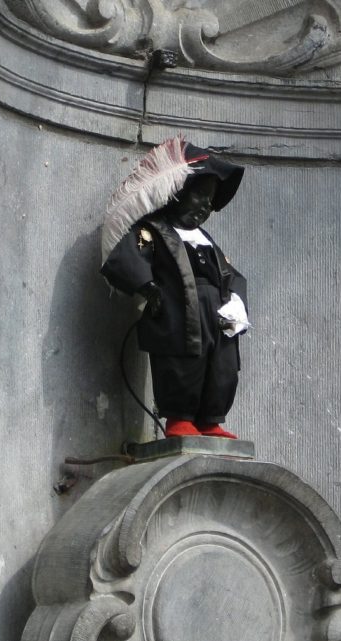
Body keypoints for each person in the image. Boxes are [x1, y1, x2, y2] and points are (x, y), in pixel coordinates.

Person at [100, 142, 249, 439]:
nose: (206, 206)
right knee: (182, 363)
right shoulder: (154, 231)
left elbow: (233, 276)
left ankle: (211, 418)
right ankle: (179, 417)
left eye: (210, 201)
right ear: (178, 193)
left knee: (221, 366)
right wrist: (147, 285)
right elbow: (127, 256)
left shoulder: (206, 241)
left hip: (217, 318)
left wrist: (236, 301)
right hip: (178, 312)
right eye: (200, 197)